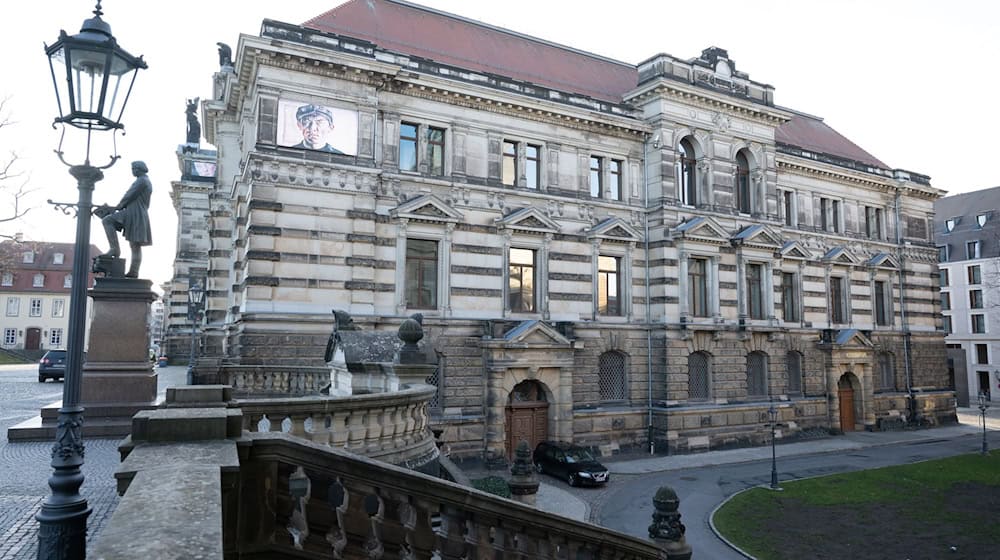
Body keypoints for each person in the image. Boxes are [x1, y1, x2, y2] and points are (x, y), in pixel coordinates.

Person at [101, 161, 153, 278]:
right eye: (132, 168)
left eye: (134, 168)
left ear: (141, 169)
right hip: (139, 213)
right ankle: (134, 271)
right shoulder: (146, 181)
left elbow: (129, 195)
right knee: (135, 244)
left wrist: (117, 207)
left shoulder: (142, 181)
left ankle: (114, 249)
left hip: (135, 213)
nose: (133, 171)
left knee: (107, 220)